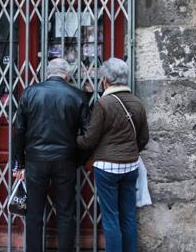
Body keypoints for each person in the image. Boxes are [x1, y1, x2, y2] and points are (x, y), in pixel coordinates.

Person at [12, 58, 90, 252]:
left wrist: (19, 164)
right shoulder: (78, 95)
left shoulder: (30, 93)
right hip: (65, 160)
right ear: (68, 74)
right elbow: (89, 134)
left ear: (46, 73)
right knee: (65, 212)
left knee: (34, 213)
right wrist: (78, 160)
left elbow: (19, 130)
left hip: (35, 161)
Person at [77, 58, 149, 252]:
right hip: (130, 166)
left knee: (111, 218)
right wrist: (130, 152)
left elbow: (90, 139)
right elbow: (143, 138)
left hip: (107, 168)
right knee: (128, 216)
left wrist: (74, 141)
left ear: (105, 81)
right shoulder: (137, 103)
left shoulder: (103, 103)